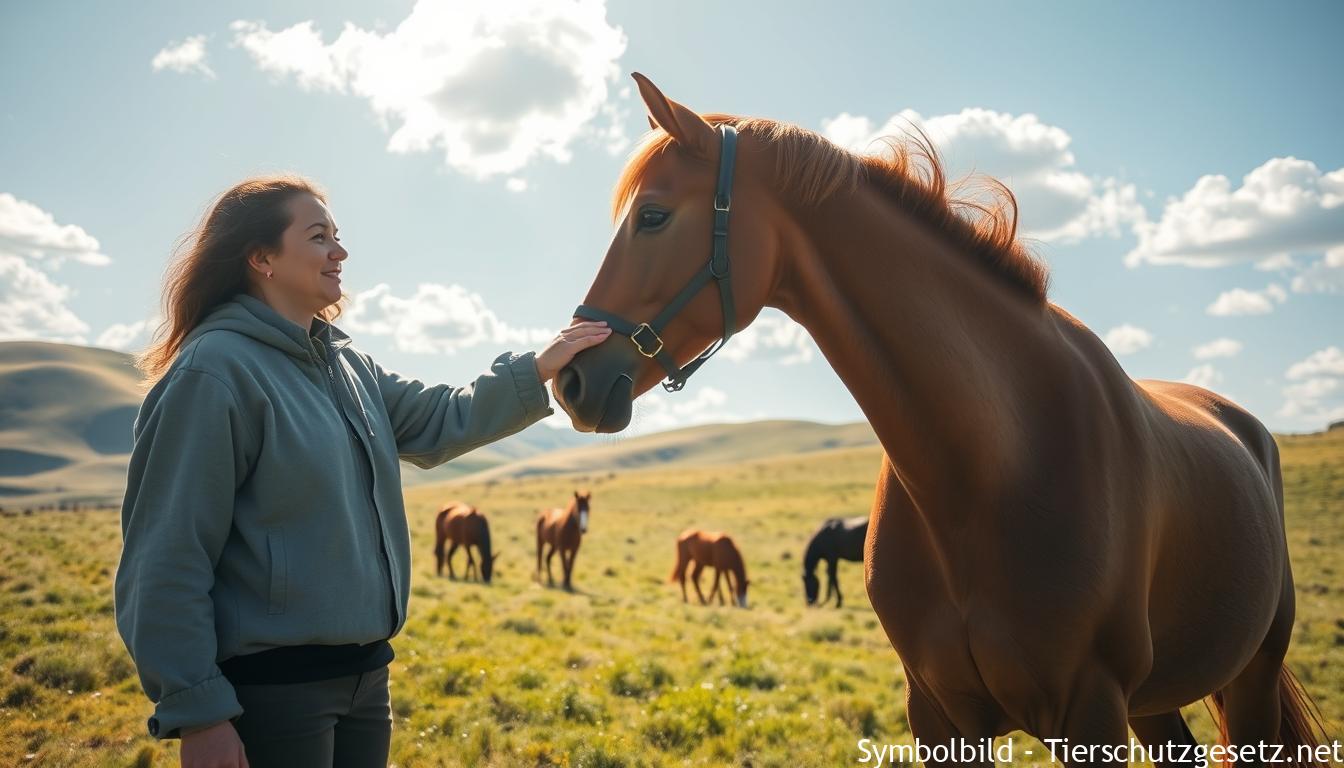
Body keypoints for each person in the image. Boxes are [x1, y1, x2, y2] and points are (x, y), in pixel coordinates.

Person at [113, 175, 609, 768]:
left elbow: (442, 417)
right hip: (273, 695)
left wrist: (541, 366)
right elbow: (166, 557)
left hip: (368, 679)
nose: (339, 252)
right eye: (318, 236)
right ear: (261, 257)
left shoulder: (348, 366)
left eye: (337, 236)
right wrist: (200, 714)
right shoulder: (214, 374)